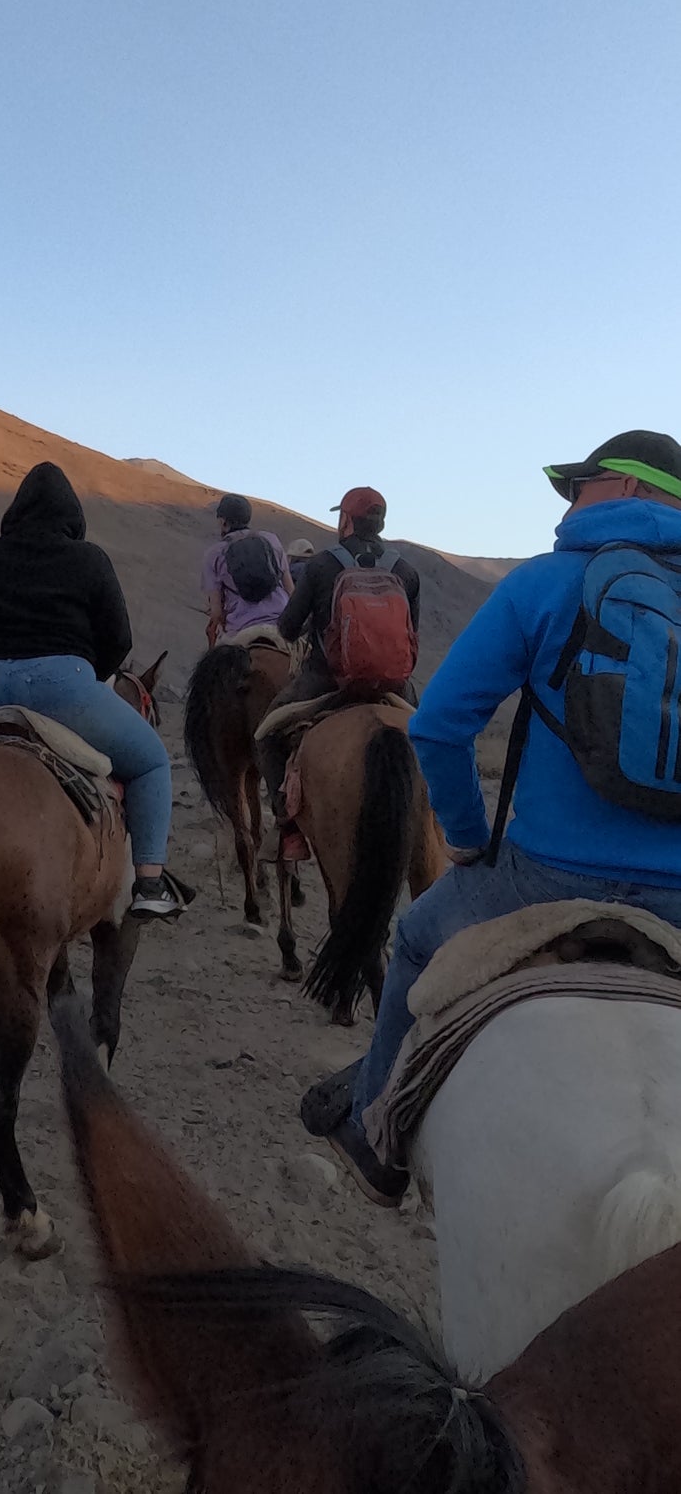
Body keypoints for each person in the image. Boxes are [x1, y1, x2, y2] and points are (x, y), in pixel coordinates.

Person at [301, 432, 681, 1206]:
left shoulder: (543, 583)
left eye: (583, 486)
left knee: (411, 938)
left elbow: (440, 726)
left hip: (544, 874)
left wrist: (469, 838)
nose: (568, 503)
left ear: (634, 492)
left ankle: (374, 1141)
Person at [0, 462, 185, 919]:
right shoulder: (89, 560)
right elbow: (119, 638)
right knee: (151, 761)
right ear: (73, 516)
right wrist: (86, 677)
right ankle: (149, 882)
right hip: (61, 687)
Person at [257, 486, 421, 857]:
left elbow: (287, 629)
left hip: (327, 680)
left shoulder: (321, 566)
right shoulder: (405, 571)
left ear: (346, 520)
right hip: (393, 684)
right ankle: (437, 823)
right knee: (431, 736)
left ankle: (287, 828)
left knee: (267, 734)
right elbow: (414, 637)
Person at [200, 494, 293, 646]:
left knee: (215, 665)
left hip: (239, 629)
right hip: (280, 623)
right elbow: (290, 590)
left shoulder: (214, 554)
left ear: (223, 522)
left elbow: (216, 612)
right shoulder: (271, 540)